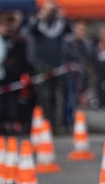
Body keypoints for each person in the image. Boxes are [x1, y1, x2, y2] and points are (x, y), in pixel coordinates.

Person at [25, 0, 72, 133]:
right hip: (41, 63)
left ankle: (56, 124)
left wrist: (61, 15)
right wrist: (41, 16)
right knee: (43, 95)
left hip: (58, 64)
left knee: (57, 95)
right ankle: (45, 122)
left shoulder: (61, 25)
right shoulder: (38, 24)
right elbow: (29, 30)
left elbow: (69, 30)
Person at [62, 20, 92, 130]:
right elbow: (66, 54)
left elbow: (88, 55)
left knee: (76, 96)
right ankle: (68, 120)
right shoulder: (69, 41)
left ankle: (73, 119)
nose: (81, 32)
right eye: (79, 29)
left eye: (83, 30)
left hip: (80, 73)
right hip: (69, 72)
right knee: (69, 96)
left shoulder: (86, 43)